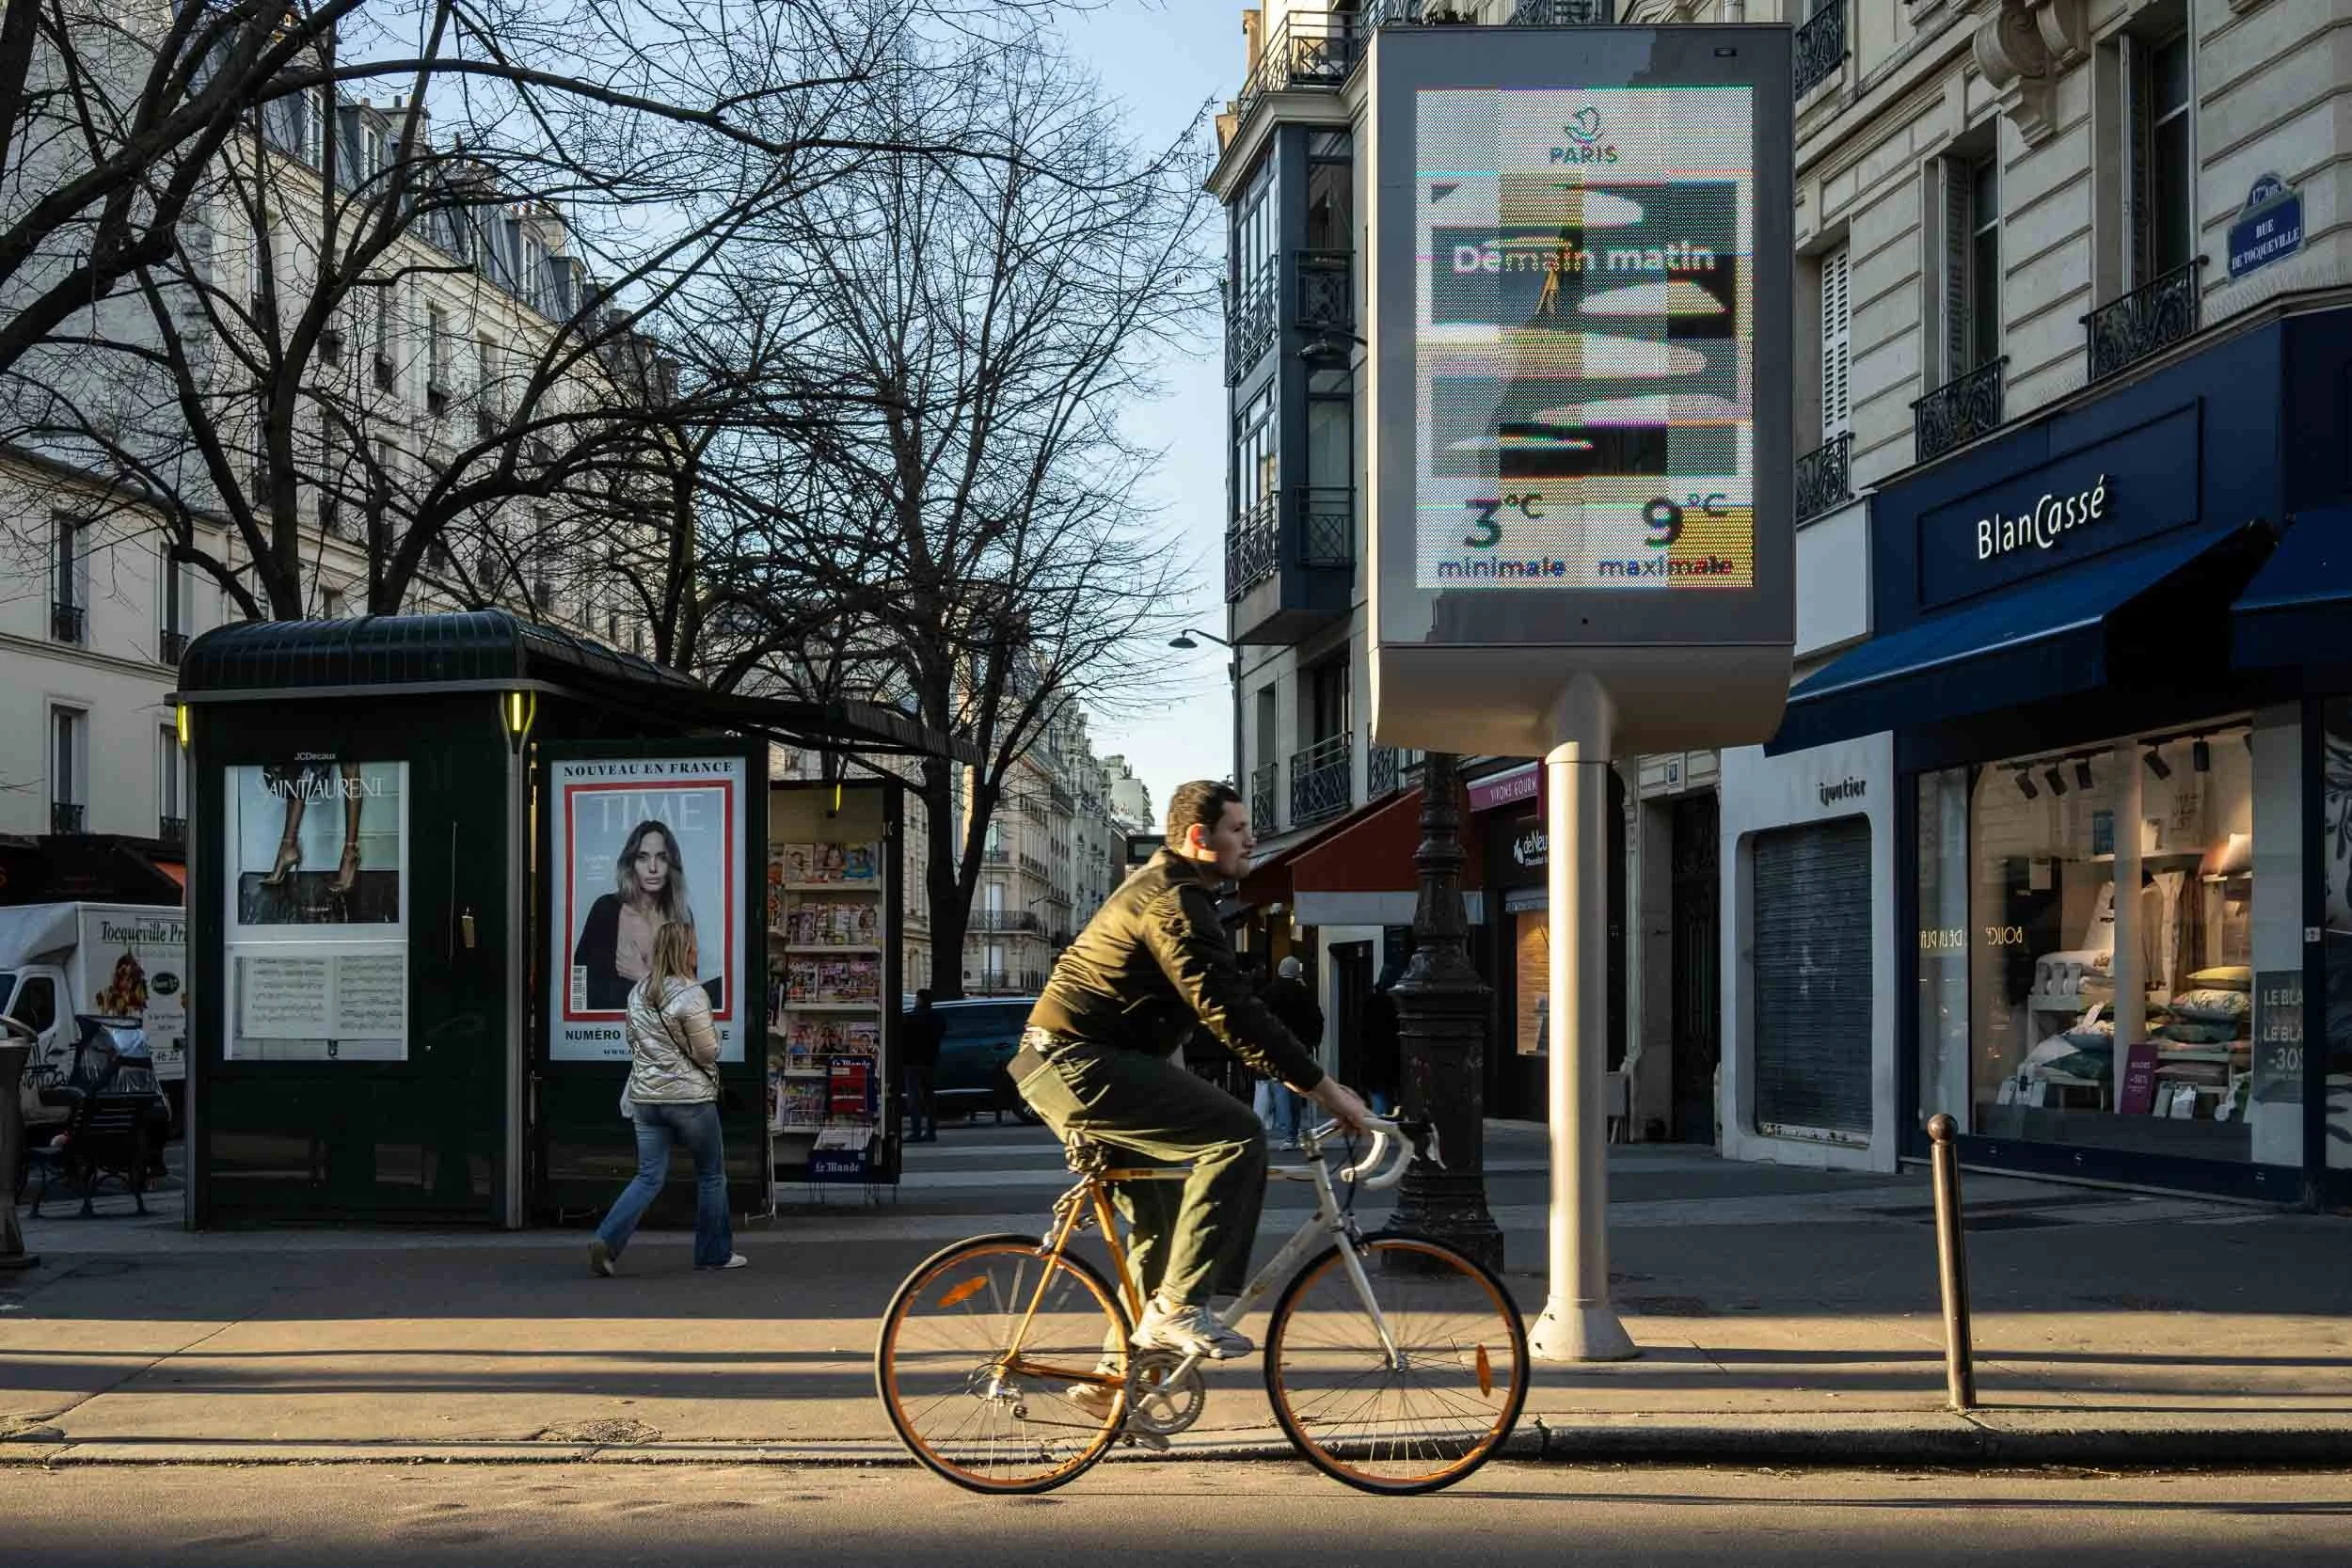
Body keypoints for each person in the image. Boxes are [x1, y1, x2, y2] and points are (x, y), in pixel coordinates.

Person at [1013, 779, 1371, 1364]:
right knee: (1237, 1136)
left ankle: (1120, 1377)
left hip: (1072, 1061)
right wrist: (1323, 1089)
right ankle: (1179, 1308)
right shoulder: (1173, 901)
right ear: (1200, 837)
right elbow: (1229, 1008)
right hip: (1078, 1062)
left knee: (1162, 1218)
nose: (1250, 840)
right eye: (1239, 830)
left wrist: (1295, 1076)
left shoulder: (1173, 890)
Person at [589, 921, 745, 1275]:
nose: (697, 951)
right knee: (711, 1176)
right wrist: (713, 1040)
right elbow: (707, 1052)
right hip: (690, 1101)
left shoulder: (638, 992)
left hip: (646, 1101)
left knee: (648, 1176)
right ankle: (713, 1254)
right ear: (684, 951)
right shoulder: (692, 993)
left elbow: (633, 1042)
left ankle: (606, 1241)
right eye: (693, 945)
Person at [572, 821, 696, 1011]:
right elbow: (581, 990)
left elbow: (690, 1001)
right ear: (631, 864)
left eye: (662, 858)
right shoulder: (605, 910)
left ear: (671, 865)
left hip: (665, 1027)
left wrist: (643, 975)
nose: (652, 868)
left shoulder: (682, 916)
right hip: (611, 1027)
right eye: (642, 858)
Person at [1256, 956, 1324, 1148]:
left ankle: (1287, 1131)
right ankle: (1293, 1130)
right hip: (1300, 1047)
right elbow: (1317, 1020)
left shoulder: (1268, 992)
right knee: (1296, 1089)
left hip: (1275, 1047)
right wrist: (1313, 1042)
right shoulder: (1305, 993)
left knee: (1280, 1087)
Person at [1359, 964, 1403, 1117]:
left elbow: (1364, 1032)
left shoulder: (1371, 1001)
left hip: (1373, 1058)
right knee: (1388, 1098)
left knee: (1378, 1097)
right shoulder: (1396, 1003)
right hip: (1392, 1058)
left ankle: (1379, 1126)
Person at [902, 990, 943, 1143]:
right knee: (929, 1097)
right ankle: (931, 1131)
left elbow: (904, 1037)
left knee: (914, 1097)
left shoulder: (911, 1017)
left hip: (912, 1061)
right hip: (930, 1061)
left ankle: (916, 1131)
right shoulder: (937, 1018)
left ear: (919, 1000)